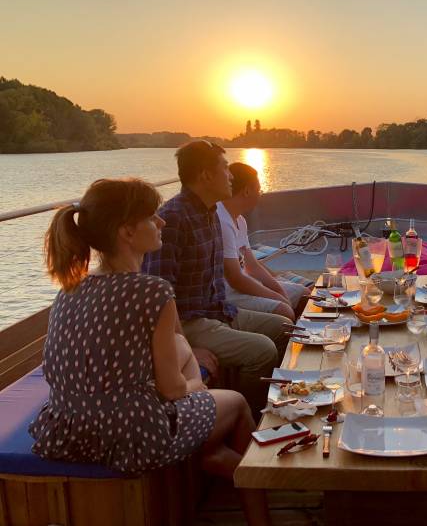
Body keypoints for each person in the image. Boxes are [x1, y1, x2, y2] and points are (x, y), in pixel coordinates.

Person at [30, 178, 270, 526]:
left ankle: (214, 454)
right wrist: (197, 388)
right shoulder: (152, 292)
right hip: (132, 435)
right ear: (128, 231)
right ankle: (259, 509)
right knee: (235, 402)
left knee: (186, 360)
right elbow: (172, 390)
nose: (162, 222)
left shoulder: (71, 288)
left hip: (67, 430)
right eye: (152, 217)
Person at [142, 141, 293, 413]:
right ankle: (251, 414)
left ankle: (279, 400)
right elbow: (158, 298)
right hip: (189, 322)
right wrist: (185, 348)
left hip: (218, 310)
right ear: (205, 175)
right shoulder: (173, 219)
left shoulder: (209, 213)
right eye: (225, 167)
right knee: (263, 350)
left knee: (284, 327)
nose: (231, 175)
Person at [218, 163, 310, 321]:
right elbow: (236, 280)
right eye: (258, 189)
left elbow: (252, 266)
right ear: (247, 191)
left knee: (304, 294)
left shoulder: (240, 220)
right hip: (229, 292)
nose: (260, 194)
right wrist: (277, 298)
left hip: (245, 283)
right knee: (284, 310)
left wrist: (278, 290)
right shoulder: (222, 222)